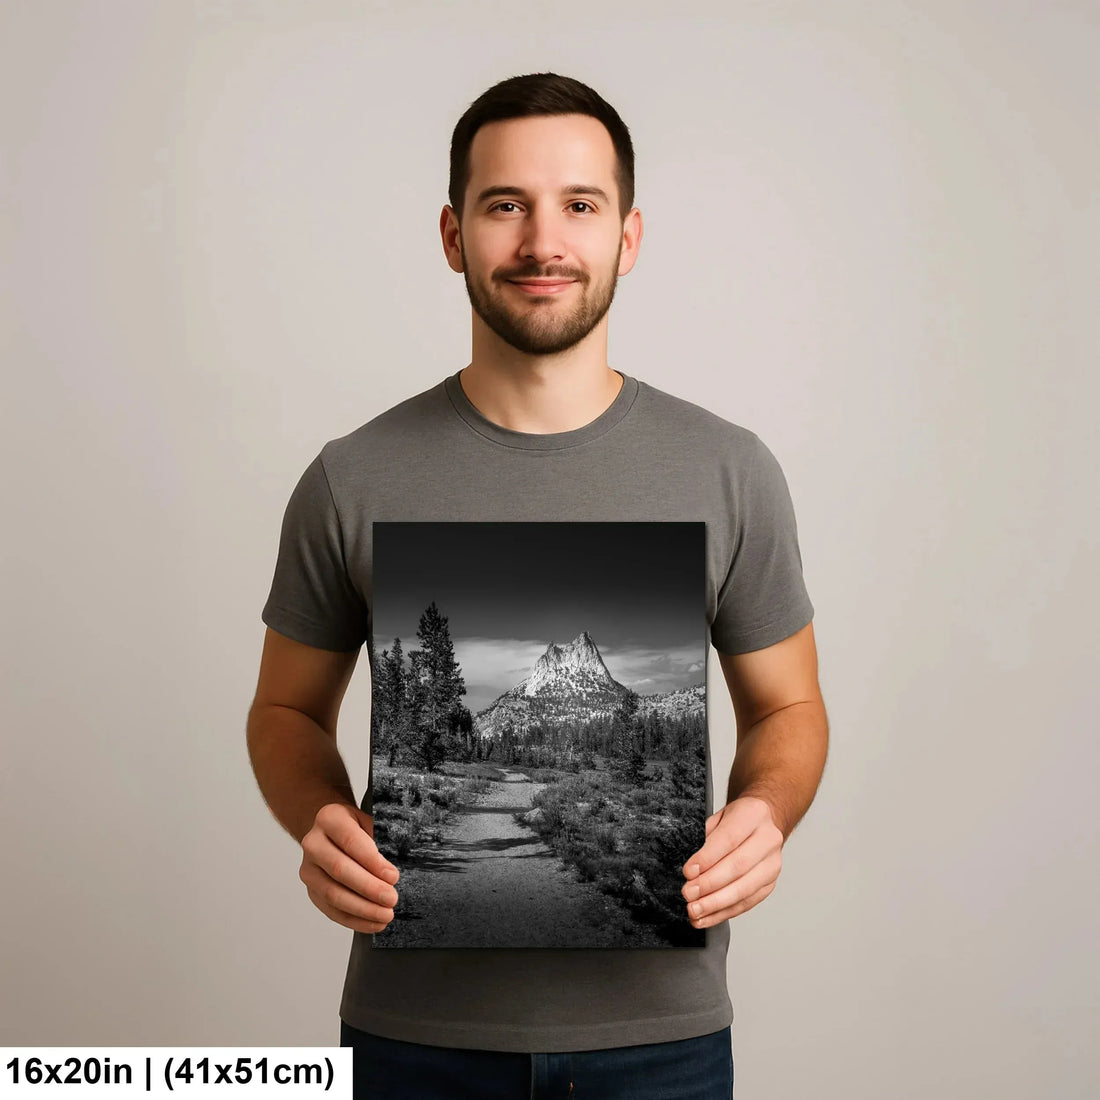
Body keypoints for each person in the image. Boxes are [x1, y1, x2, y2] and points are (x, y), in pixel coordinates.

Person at [247, 71, 829, 1099]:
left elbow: (789, 706)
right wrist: (317, 813)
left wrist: (763, 811)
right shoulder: (352, 476)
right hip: (408, 1038)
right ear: (451, 233)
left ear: (628, 236)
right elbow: (285, 709)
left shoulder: (729, 469)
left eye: (578, 204)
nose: (541, 241)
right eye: (504, 204)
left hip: (663, 1043)